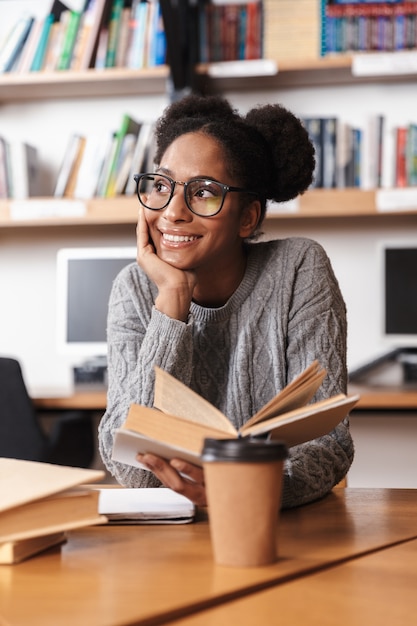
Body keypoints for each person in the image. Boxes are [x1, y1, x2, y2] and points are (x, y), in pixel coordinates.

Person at [98, 93, 354, 509]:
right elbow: (130, 465)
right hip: (175, 531)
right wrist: (173, 297)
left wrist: (243, 491)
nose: (173, 211)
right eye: (162, 185)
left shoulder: (298, 267)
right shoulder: (136, 287)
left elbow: (327, 441)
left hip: (277, 518)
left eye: (203, 192)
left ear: (248, 217)